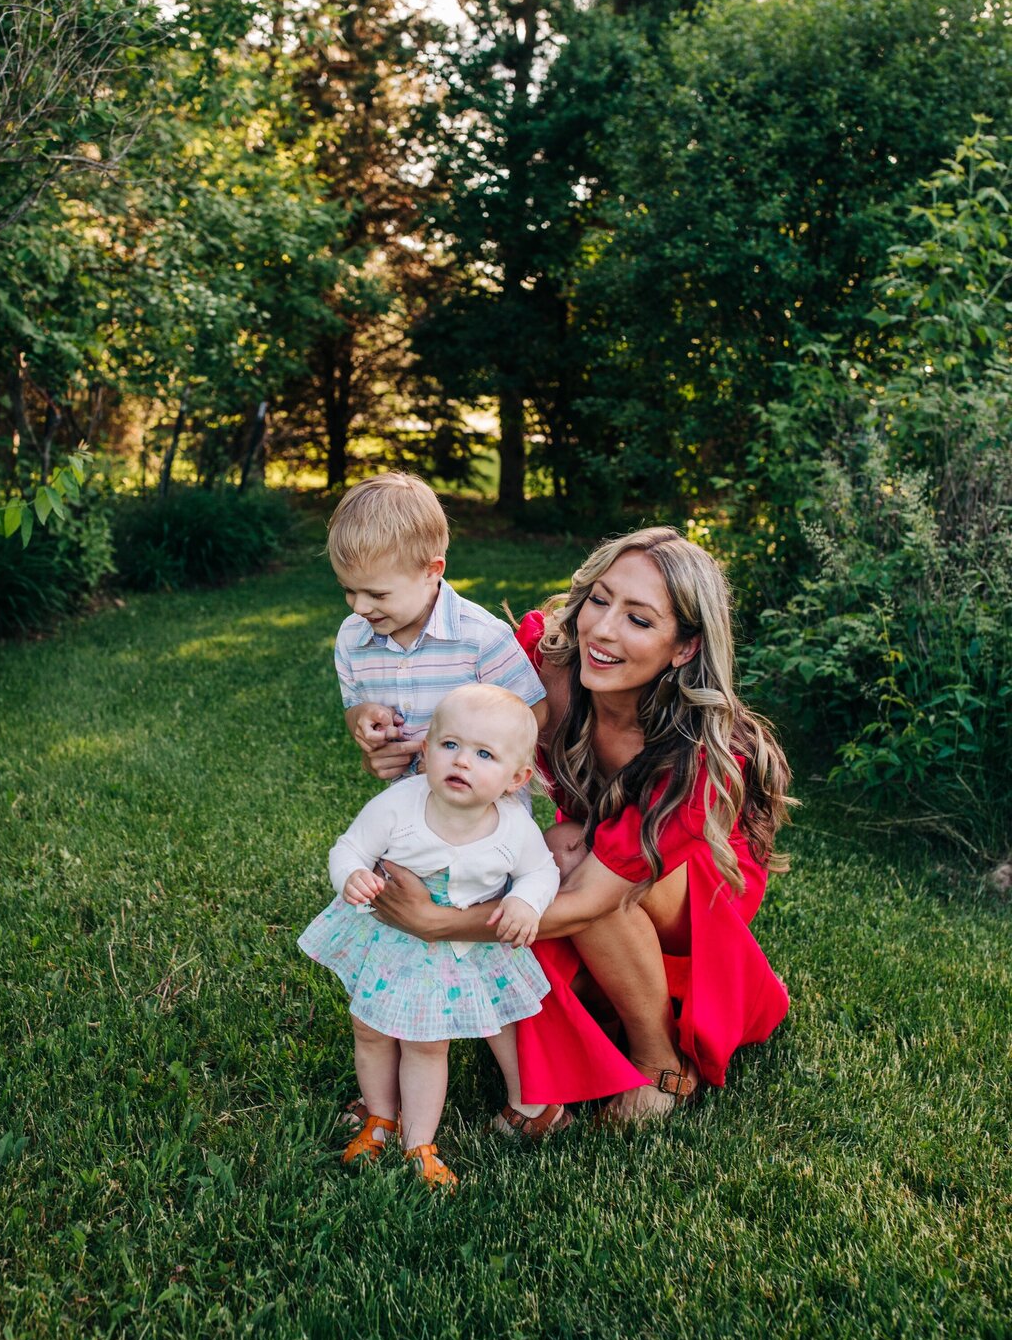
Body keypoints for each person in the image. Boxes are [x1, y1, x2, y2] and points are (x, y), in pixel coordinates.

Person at [370, 526, 792, 1123]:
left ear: (685, 648)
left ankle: (658, 1063)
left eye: (639, 620)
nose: (602, 630)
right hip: (593, 852)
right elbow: (458, 727)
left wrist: (440, 924)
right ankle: (555, 1071)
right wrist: (392, 741)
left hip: (699, 890)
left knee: (565, 854)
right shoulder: (542, 662)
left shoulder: (700, 754)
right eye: (600, 599)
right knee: (536, 853)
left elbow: (593, 895)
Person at [298, 686, 562, 1188]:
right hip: (390, 939)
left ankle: (419, 1140)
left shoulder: (514, 828)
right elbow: (350, 847)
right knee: (370, 1030)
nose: (462, 761)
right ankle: (379, 1117)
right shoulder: (399, 804)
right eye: (450, 745)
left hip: (459, 952)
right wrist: (351, 874)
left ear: (517, 777)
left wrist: (525, 901)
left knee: (426, 1044)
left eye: (484, 754)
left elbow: (540, 872)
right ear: (426, 751)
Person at [327, 472, 547, 782]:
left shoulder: (481, 637)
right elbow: (353, 704)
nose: (359, 607)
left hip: (486, 814)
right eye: (348, 589)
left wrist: (464, 757)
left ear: (432, 570)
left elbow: (534, 714)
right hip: (407, 811)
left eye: (377, 594)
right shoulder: (353, 639)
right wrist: (361, 721)